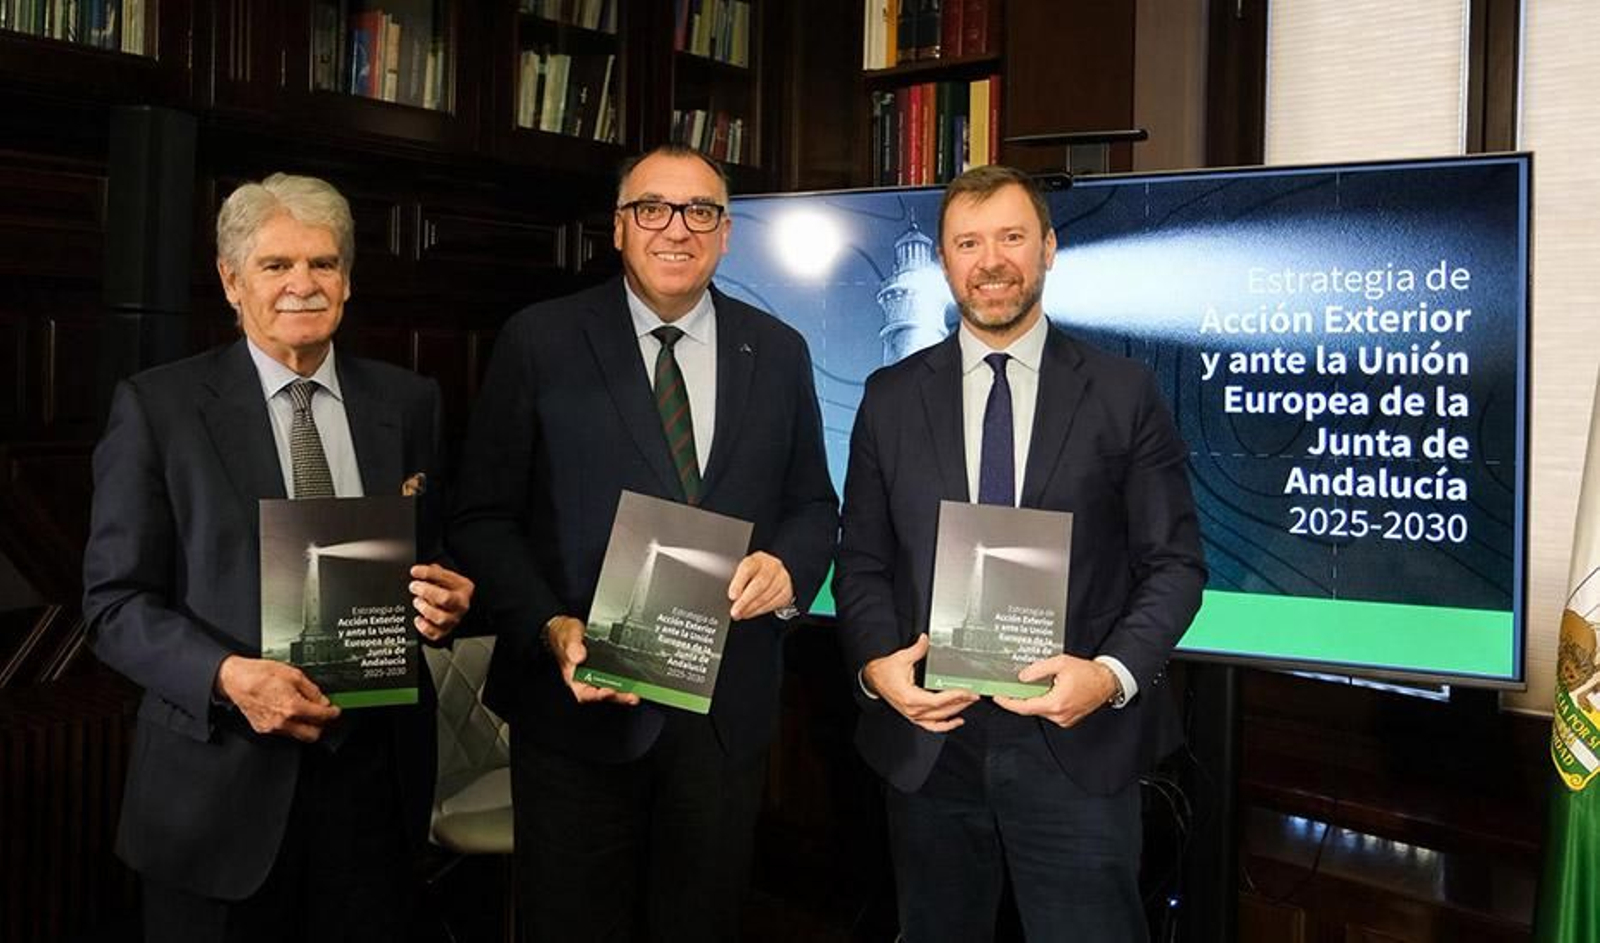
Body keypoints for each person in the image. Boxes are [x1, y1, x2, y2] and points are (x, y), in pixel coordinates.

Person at [449, 143, 839, 942]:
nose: (677, 229)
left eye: (700, 212)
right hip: (580, 710)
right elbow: (482, 518)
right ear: (619, 228)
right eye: (652, 209)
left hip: (723, 711)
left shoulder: (780, 350)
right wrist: (552, 626)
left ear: (726, 233)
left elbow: (812, 504)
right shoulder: (539, 340)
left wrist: (791, 566)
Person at [82, 173, 475, 943]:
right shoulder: (158, 408)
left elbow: (434, 560)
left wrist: (452, 601)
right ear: (232, 281)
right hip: (219, 786)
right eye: (276, 265)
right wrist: (230, 677)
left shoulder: (409, 402)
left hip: (374, 790)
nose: (304, 284)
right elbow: (113, 603)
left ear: (349, 280)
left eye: (323, 264)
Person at [834, 164, 1207, 943]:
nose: (990, 260)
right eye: (968, 242)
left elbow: (1174, 566)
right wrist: (878, 668)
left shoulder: (1123, 391)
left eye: (1010, 237)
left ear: (1049, 248)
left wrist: (1107, 678)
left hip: (1074, 737)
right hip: (930, 740)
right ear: (943, 261)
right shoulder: (888, 397)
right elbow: (861, 562)